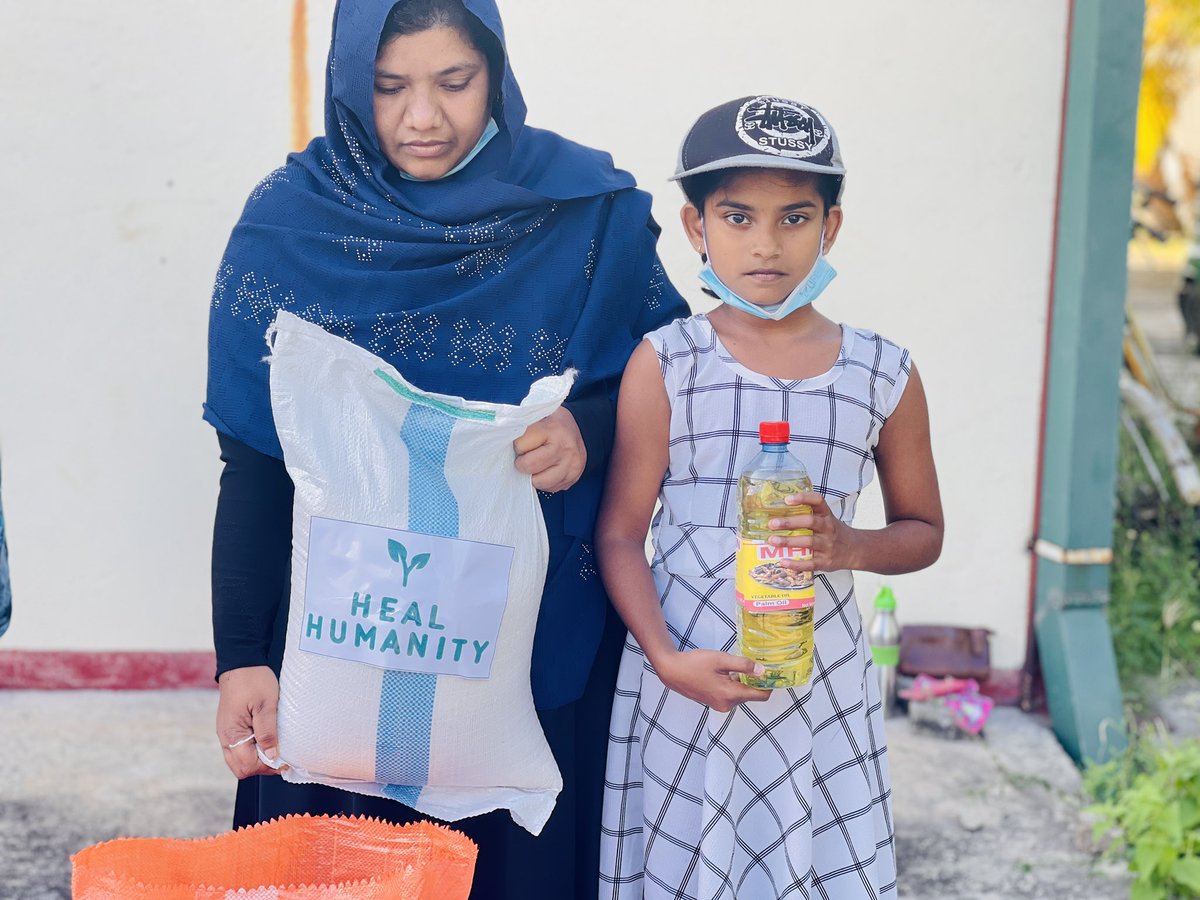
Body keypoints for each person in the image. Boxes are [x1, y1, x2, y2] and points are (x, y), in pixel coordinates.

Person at [203, 1, 687, 896]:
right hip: (332, 651)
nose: (422, 118)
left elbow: (662, 379)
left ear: (496, 76)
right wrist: (240, 655)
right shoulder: (289, 226)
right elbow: (254, 462)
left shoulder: (582, 214)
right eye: (389, 88)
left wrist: (588, 426)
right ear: (350, 85)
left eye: (454, 83)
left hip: (525, 657)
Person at [597, 95, 944, 898]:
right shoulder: (669, 361)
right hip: (686, 681)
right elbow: (619, 534)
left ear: (832, 227)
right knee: (686, 869)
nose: (765, 244)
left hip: (817, 691)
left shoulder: (881, 372)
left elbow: (923, 530)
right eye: (738, 216)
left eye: (793, 218)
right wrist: (665, 657)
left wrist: (850, 545)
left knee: (815, 869)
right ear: (696, 228)